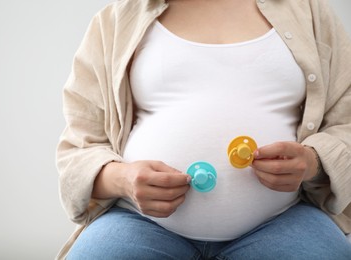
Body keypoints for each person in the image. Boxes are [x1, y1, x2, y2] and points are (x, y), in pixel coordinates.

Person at [56, 0, 351, 259]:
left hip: (284, 219)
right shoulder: (116, 21)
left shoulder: (309, 12)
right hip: (138, 221)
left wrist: (313, 161)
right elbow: (79, 147)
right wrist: (124, 180)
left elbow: (346, 123)